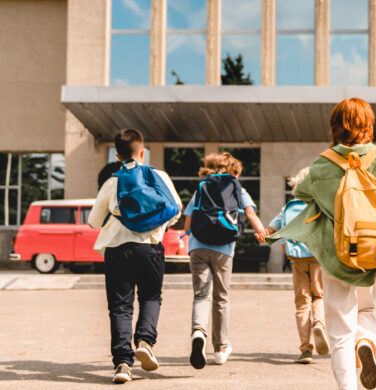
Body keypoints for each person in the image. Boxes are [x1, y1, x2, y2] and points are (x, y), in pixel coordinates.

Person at [266, 98, 376, 390]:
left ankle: (348, 386)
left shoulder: (322, 163)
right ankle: (366, 341)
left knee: (339, 329)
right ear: (369, 124)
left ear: (334, 126)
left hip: (335, 253)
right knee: (366, 309)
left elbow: (301, 193)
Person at [88, 128, 182, 384]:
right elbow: (176, 209)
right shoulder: (158, 175)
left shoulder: (112, 182)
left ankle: (122, 364)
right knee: (151, 296)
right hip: (150, 248)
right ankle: (144, 341)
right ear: (143, 152)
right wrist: (155, 226)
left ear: (117, 156)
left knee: (120, 307)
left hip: (117, 250)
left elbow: (93, 222)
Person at [184, 152, 267, 369]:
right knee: (221, 298)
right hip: (224, 249)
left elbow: (187, 223)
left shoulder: (201, 187)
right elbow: (250, 214)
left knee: (201, 295)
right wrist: (262, 233)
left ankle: (198, 333)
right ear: (234, 172)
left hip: (198, 247)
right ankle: (220, 349)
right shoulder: (239, 189)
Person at [257, 167, 330, 365]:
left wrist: (263, 234)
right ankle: (319, 323)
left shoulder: (289, 207)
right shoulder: (321, 205)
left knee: (302, 302)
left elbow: (271, 229)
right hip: (317, 258)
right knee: (319, 296)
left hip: (297, 260)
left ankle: (306, 349)